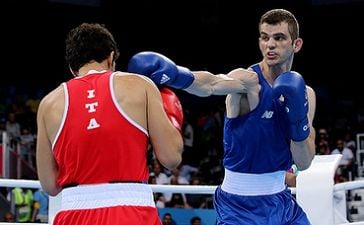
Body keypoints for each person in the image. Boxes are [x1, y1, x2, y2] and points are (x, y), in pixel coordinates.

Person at [127, 8, 316, 225]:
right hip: (240, 207)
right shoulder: (248, 82)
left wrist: (298, 122)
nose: (270, 44)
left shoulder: (306, 94)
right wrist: (176, 75)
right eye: (265, 38)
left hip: (282, 202)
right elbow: (210, 83)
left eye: (279, 38)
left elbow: (304, 160)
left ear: (296, 44)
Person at [36, 22, 184, 225]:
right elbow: (171, 158)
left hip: (73, 214)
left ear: (72, 68)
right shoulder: (139, 85)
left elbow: (49, 185)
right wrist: (173, 121)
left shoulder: (48, 104)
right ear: (111, 57)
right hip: (131, 211)